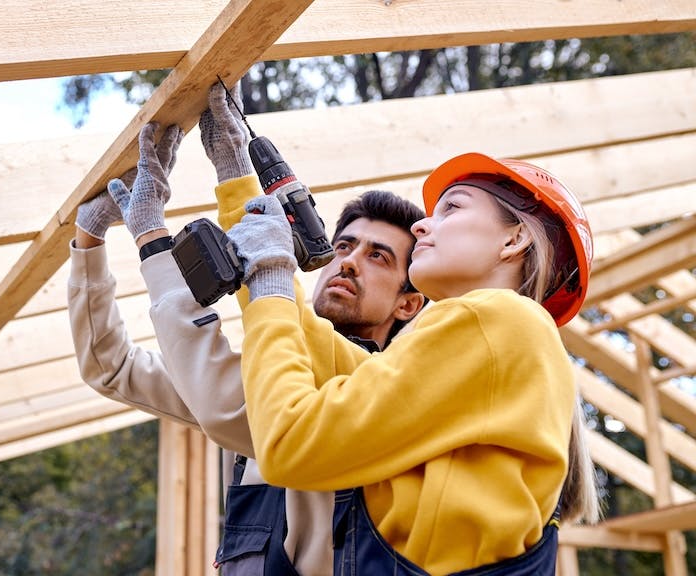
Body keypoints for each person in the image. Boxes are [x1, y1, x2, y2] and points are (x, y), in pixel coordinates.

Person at [67, 84, 426, 575]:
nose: (349, 262)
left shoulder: (391, 390)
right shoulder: (272, 368)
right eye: (344, 246)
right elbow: (112, 368)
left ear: (409, 303)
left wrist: (157, 236)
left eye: (378, 256)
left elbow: (228, 403)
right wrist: (89, 238)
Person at [224, 152, 602, 574]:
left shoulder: (497, 317)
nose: (421, 225)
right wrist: (237, 183)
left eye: (452, 207)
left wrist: (270, 272)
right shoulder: (489, 343)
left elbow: (291, 441)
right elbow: (317, 349)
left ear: (514, 240)